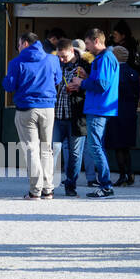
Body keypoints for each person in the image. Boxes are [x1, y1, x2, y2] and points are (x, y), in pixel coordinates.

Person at [3, 32, 63, 200]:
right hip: (48, 108)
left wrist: (6, 79)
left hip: (26, 108)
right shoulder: (52, 59)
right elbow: (58, 79)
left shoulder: (16, 62)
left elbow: (9, 85)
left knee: (32, 149)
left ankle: (35, 191)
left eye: (19, 44)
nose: (18, 47)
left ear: (26, 44)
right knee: (46, 149)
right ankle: (48, 189)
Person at [77, 28, 119, 198]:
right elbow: (101, 82)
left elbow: (102, 85)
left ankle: (106, 185)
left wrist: (82, 82)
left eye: (87, 43)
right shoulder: (104, 58)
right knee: (97, 146)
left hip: (99, 107)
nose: (86, 48)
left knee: (95, 147)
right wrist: (87, 77)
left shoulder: (105, 58)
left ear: (96, 41)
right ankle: (105, 184)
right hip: (100, 107)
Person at [52, 39, 87, 197]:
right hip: (58, 116)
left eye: (64, 56)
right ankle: (48, 185)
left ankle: (71, 185)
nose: (61, 59)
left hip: (76, 116)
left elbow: (94, 87)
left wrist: (81, 87)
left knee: (74, 154)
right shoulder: (56, 65)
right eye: (59, 56)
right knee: (52, 151)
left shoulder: (85, 65)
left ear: (72, 52)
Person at [105, 45, 140, 187]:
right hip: (130, 113)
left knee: (119, 146)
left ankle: (122, 175)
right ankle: (130, 173)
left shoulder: (114, 72)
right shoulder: (134, 72)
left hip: (117, 111)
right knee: (126, 147)